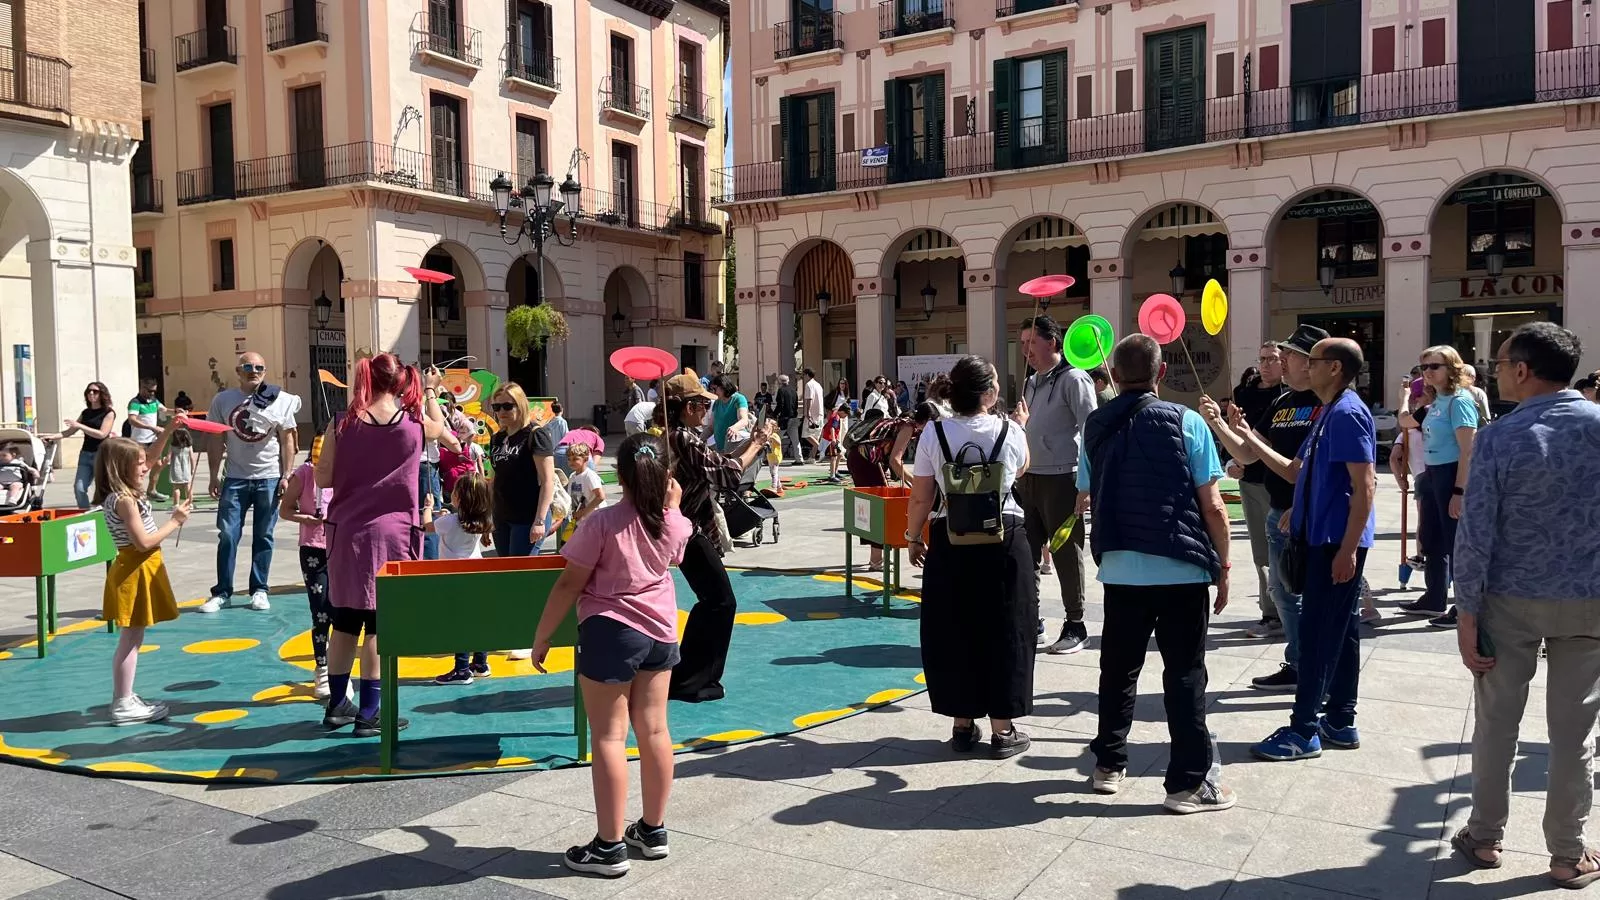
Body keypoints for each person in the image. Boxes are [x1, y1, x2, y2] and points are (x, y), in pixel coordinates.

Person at [1449, 322, 1600, 889]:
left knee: (1496, 723)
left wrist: (1466, 613)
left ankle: (1485, 835)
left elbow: (1477, 530)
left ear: (1522, 370)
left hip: (1509, 598)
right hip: (1589, 600)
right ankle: (1567, 851)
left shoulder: (1501, 436)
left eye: (1503, 360)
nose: (1496, 369)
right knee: (1574, 732)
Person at [1078, 334, 1235, 813]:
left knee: (1117, 670)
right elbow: (1213, 504)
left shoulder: (1094, 425)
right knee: (1185, 675)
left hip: (1122, 566)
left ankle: (1108, 764)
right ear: (1161, 373)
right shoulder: (1187, 421)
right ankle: (1187, 783)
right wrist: (1223, 565)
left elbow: (1085, 492)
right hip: (1181, 567)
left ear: (1115, 375)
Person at [530, 433, 692, 877]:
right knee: (655, 729)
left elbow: (568, 584)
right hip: (661, 631)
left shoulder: (601, 524)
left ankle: (608, 845)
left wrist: (543, 635)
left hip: (611, 631)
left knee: (609, 736)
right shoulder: (675, 521)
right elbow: (675, 549)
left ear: (619, 474)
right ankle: (654, 830)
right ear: (665, 476)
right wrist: (673, 505)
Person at [1249, 337, 1376, 761]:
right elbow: (1300, 471)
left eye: (1312, 360)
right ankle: (1340, 720)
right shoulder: (1329, 412)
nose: (1296, 365)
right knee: (1343, 629)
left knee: (1319, 633)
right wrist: (1298, 511)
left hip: (1334, 544)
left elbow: (1365, 485)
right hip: (1321, 537)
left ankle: (1303, 730)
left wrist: (1349, 548)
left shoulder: (1347, 414)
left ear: (1335, 368)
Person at [315, 354, 452, 736]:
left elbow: (323, 478)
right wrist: (430, 391)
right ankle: (370, 711)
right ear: (399, 382)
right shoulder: (413, 424)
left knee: (343, 624)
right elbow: (442, 430)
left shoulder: (341, 423)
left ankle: (338, 704)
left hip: (347, 534)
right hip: (394, 534)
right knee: (378, 626)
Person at [906, 356, 1035, 758]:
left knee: (953, 627)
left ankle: (963, 724)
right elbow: (1020, 471)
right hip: (1005, 536)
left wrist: (913, 535)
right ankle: (1003, 727)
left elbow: (922, 494)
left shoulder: (934, 433)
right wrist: (1021, 429)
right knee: (1008, 627)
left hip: (951, 535)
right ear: (989, 393)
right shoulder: (1010, 429)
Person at [1203, 325, 1327, 694]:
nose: (1280, 362)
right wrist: (1219, 423)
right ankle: (1299, 663)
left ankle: (1316, 670)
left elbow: (1317, 468)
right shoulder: (1281, 402)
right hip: (1279, 515)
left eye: (1287, 355)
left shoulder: (1329, 404)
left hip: (1310, 516)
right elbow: (1247, 454)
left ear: (1310, 362)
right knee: (1283, 595)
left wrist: (1301, 504)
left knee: (1310, 598)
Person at [655, 370, 775, 702]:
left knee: (712, 601)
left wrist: (751, 444)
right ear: (687, 407)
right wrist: (758, 443)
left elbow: (718, 463)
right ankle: (694, 679)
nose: (706, 409)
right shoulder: (684, 437)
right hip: (689, 530)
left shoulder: (672, 435)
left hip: (685, 528)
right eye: (700, 403)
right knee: (721, 601)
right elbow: (727, 475)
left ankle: (689, 675)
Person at [1013, 315, 1098, 655]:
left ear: (1053, 342)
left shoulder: (1074, 379)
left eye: (1031, 342)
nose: (1026, 350)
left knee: (1065, 552)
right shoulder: (1030, 382)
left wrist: (1087, 484)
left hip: (1063, 478)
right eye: (1022, 344)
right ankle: (1033, 621)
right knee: (1026, 553)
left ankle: (1075, 624)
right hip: (1028, 479)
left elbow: (1092, 430)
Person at [96, 421, 190, 726]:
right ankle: (122, 702)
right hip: (134, 570)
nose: (145, 467)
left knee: (134, 637)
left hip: (140, 568)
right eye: (138, 464)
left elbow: (151, 456)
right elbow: (143, 542)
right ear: (122, 468)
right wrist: (175, 521)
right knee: (131, 638)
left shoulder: (124, 493)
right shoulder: (124, 501)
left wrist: (169, 429)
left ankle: (125, 695)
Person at [202, 352, 302, 613]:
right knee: (227, 535)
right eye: (248, 366)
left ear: (265, 371)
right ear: (238, 370)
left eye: (259, 367)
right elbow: (214, 439)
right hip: (235, 478)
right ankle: (222, 592)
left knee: (264, 536)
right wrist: (214, 474)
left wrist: (287, 474)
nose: (253, 371)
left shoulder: (279, 399)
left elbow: (288, 438)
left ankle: (259, 589)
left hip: (268, 478)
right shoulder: (223, 400)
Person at [1397, 345, 1479, 627]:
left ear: (1452, 369)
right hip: (1431, 473)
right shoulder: (1435, 404)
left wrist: (1459, 491)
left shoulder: (1459, 401)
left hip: (1451, 474)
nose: (1428, 372)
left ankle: (1464, 607)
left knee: (1457, 543)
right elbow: (1406, 422)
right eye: (1424, 367)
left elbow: (1468, 450)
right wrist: (1405, 397)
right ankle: (1434, 597)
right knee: (1431, 538)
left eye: (1434, 366)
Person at [1228, 343, 1290, 638]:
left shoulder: (1289, 397)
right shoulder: (1245, 393)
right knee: (1261, 553)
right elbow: (1238, 436)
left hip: (1278, 481)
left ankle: (1286, 609)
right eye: (1262, 359)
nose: (1266, 365)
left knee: (1284, 550)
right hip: (1250, 479)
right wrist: (1233, 461)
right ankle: (1270, 613)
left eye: (1272, 359)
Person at [844, 401, 941, 570]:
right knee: (879, 508)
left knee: (876, 506)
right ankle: (876, 560)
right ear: (926, 421)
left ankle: (876, 558)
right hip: (864, 461)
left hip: (860, 458)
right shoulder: (908, 427)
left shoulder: (902, 422)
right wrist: (917, 483)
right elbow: (895, 461)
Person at [430, 472, 499, 685]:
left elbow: (426, 528)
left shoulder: (448, 522)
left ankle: (461, 669)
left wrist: (427, 509)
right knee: (477, 619)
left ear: (460, 497)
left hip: (454, 577)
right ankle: (480, 663)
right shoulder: (481, 520)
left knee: (459, 622)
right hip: (477, 574)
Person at [279, 448, 336, 699]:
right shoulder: (304, 474)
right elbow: (285, 510)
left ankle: (338, 670)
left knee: (345, 612)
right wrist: (306, 518)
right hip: (314, 548)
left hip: (343, 547)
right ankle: (322, 667)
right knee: (321, 610)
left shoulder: (344, 472)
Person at [488, 383, 557, 560]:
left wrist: (540, 521)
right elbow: (495, 477)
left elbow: (548, 480)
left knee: (519, 572)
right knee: (506, 571)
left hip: (528, 516)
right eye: (497, 407)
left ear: (521, 405)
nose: (501, 411)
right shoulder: (497, 438)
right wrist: (488, 514)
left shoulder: (535, 435)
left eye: (508, 406)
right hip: (502, 515)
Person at [57, 382, 117, 508]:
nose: (91, 394)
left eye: (95, 391)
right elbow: (69, 432)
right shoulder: (85, 413)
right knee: (79, 488)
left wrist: (80, 425)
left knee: (103, 489)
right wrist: (51, 436)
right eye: (89, 391)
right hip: (85, 454)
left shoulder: (108, 413)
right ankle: (84, 513)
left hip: (101, 454)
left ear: (102, 394)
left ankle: (106, 515)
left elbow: (102, 434)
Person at [127, 378, 169, 503]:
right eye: (150, 391)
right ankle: (135, 491)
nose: (152, 393)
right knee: (138, 468)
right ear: (142, 388)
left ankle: (151, 490)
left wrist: (177, 411)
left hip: (153, 440)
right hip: (139, 441)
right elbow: (132, 420)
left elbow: (165, 411)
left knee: (159, 465)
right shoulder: (135, 402)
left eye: (154, 391)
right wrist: (151, 427)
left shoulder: (154, 400)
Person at [565, 443, 607, 529]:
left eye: (575, 459)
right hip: (581, 520)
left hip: (595, 520)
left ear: (585, 459)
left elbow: (601, 496)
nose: (571, 462)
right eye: (569, 459)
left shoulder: (589, 475)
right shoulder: (572, 476)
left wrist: (583, 512)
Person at [708, 376, 751, 450]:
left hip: (735, 448)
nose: (714, 392)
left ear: (723, 386)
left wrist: (734, 427)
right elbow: (711, 428)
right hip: (720, 449)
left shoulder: (738, 399)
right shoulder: (717, 402)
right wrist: (699, 439)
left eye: (715, 389)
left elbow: (744, 420)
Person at [165, 428, 195, 506]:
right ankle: (190, 504)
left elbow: (168, 457)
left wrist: (165, 460)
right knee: (188, 486)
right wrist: (193, 468)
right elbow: (192, 457)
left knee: (176, 487)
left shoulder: (172, 446)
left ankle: (176, 505)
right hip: (186, 469)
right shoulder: (189, 446)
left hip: (176, 468)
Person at [800, 368, 824, 463]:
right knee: (816, 435)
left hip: (812, 414)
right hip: (820, 413)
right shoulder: (818, 385)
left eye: (803, 375)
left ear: (807, 375)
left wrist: (807, 412)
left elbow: (809, 399)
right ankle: (812, 457)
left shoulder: (808, 385)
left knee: (806, 434)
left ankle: (821, 449)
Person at [774, 374, 798, 460]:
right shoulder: (793, 390)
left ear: (780, 382)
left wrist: (774, 414)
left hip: (784, 419)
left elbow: (780, 404)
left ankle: (775, 458)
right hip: (794, 417)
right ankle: (799, 459)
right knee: (795, 440)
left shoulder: (781, 391)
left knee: (776, 438)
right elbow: (796, 404)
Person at [545, 400, 571, 471]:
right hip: (562, 449)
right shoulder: (562, 422)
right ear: (562, 410)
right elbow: (566, 436)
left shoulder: (549, 422)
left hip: (553, 448)